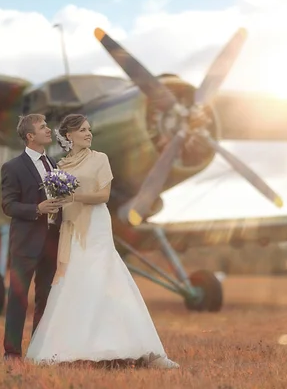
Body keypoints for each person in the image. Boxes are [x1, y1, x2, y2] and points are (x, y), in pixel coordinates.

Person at [25, 114, 179, 369]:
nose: (88, 133)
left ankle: (125, 345)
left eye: (89, 129)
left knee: (102, 276)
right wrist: (53, 206)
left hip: (96, 225)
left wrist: (74, 197)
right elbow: (59, 204)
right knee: (75, 279)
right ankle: (74, 347)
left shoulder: (100, 159)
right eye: (82, 130)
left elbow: (103, 195)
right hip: (71, 227)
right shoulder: (60, 167)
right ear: (68, 136)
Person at [1, 114, 66, 361]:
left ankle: (38, 351)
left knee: (46, 299)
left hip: (52, 240)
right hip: (26, 243)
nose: (49, 130)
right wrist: (37, 209)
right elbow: (8, 205)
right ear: (30, 136)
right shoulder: (12, 167)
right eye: (43, 127)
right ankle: (12, 353)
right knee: (18, 299)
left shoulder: (55, 164)